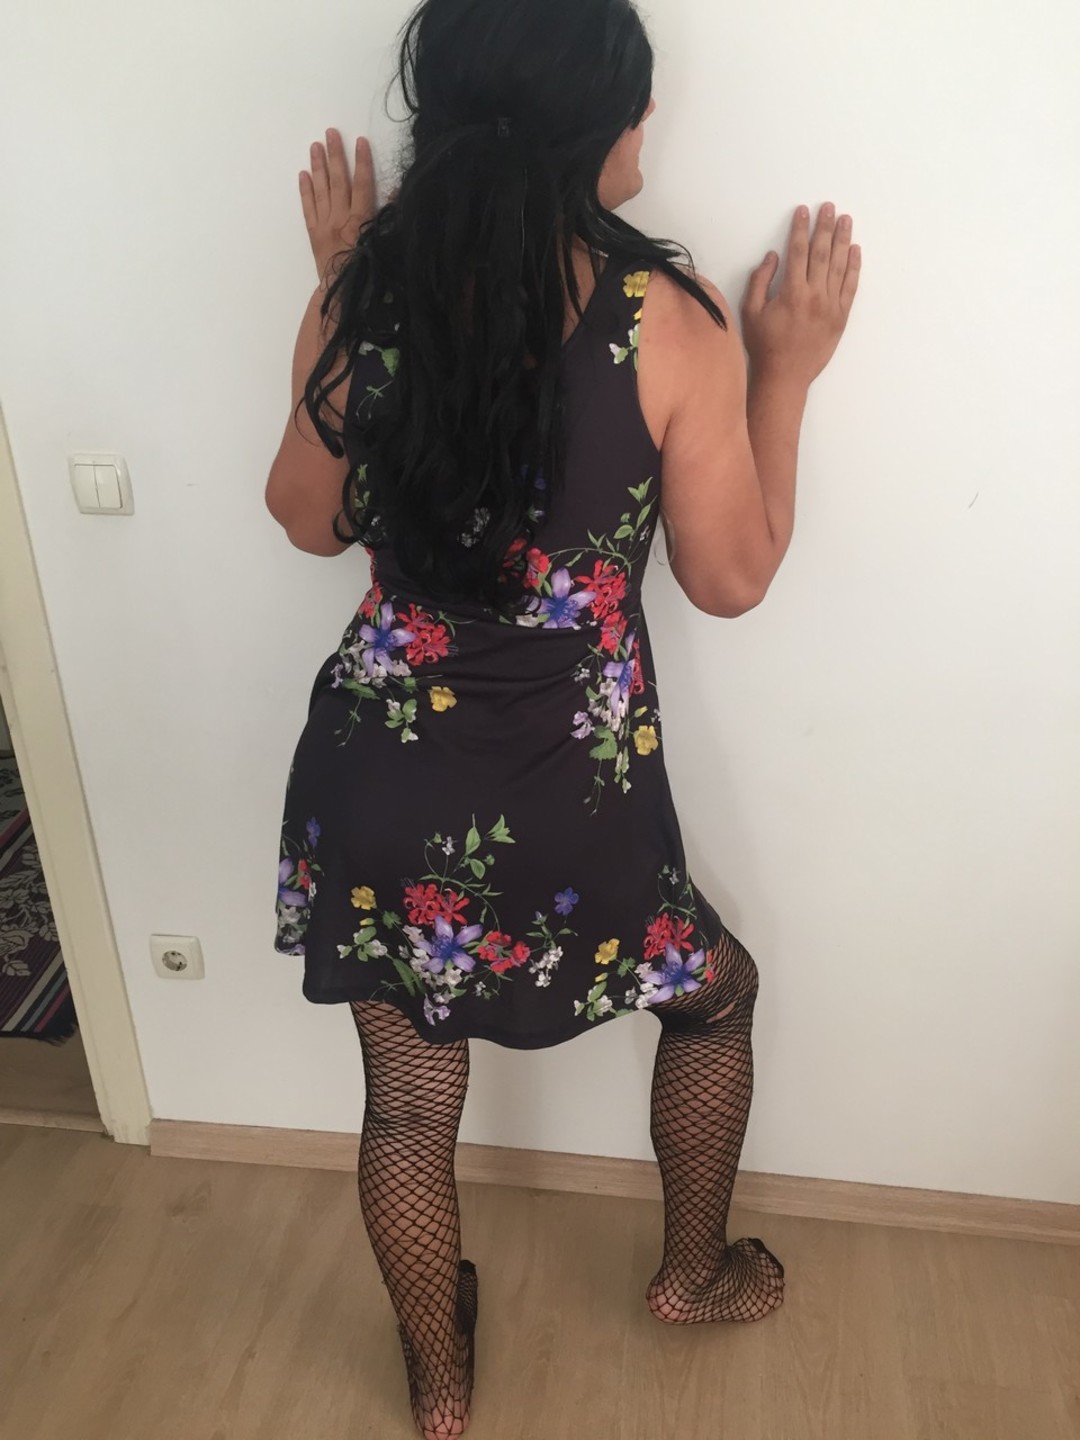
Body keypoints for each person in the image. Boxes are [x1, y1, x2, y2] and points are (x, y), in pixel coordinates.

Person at [266, 1, 860, 1434]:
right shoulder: (666, 320)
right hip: (570, 798)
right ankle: (693, 1276)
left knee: (408, 1102)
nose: (649, 129)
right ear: (587, 127)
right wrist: (783, 375)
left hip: (378, 779)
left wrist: (338, 286)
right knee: (715, 998)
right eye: (638, 107)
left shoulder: (369, 294)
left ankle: (440, 1388)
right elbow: (729, 580)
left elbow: (303, 519)